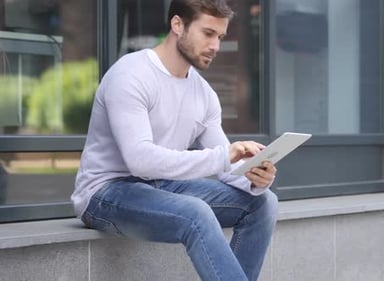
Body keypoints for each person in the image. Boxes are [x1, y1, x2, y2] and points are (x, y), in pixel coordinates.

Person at [71, 0, 278, 280]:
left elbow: (224, 165)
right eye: (208, 33)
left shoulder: (204, 94)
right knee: (196, 213)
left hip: (162, 187)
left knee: (264, 203)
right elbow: (140, 161)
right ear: (177, 25)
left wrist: (253, 179)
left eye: (220, 36)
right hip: (105, 192)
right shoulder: (131, 74)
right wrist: (224, 155)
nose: (216, 46)